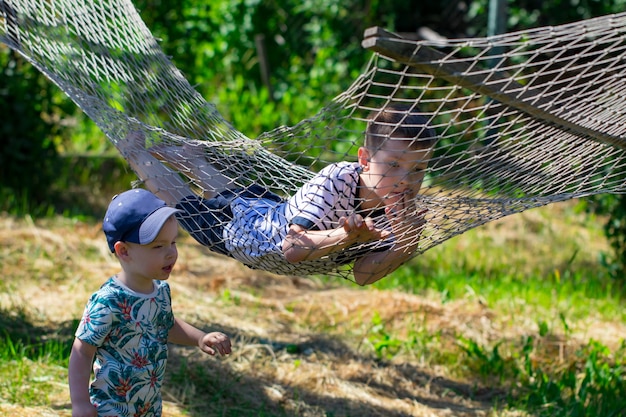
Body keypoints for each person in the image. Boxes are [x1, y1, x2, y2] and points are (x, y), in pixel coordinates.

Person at [118, 105, 436, 285]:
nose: (406, 180)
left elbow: (364, 274)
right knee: (181, 199)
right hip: (247, 234)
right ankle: (135, 152)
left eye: (418, 170)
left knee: (227, 189)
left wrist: (405, 247)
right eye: (393, 165)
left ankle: (192, 158)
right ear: (364, 159)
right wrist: (345, 236)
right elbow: (294, 248)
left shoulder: (402, 213)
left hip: (269, 207)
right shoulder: (339, 178)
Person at [68, 189, 232, 417]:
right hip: (111, 408)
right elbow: (82, 352)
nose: (171, 253)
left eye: (173, 242)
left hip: (148, 406)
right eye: (158, 246)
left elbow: (166, 325)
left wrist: (200, 338)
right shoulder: (108, 300)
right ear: (124, 251)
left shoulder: (160, 291)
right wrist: (80, 404)